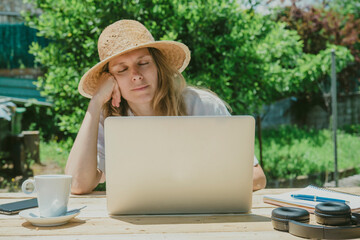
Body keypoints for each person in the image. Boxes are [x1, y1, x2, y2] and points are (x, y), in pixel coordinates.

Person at [65, 19, 266, 195]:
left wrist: (189, 188)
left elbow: (257, 177)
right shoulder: (109, 119)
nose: (135, 75)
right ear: (112, 80)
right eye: (122, 69)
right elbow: (77, 184)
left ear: (159, 67)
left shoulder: (203, 106)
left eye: (143, 63)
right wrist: (95, 102)